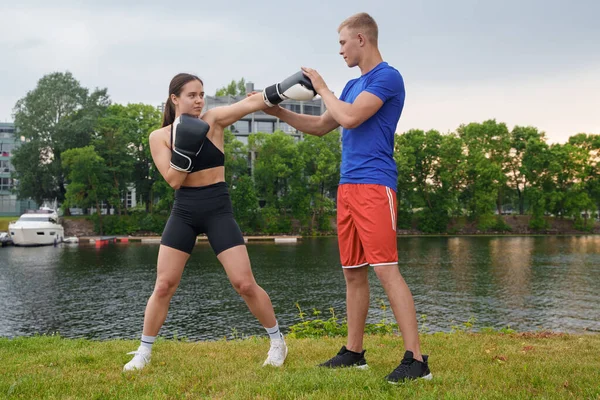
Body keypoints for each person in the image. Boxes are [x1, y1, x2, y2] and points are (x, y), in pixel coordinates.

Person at [263, 12, 432, 383]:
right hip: (348, 187)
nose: (339, 50)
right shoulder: (353, 86)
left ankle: (417, 361)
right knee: (353, 274)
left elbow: (352, 118)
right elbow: (324, 125)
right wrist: (276, 111)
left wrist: (322, 87)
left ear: (361, 39)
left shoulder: (387, 77)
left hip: (375, 185)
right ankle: (355, 352)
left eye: (342, 42)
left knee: (386, 270)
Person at [123, 71, 315, 371]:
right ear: (175, 99)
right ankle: (144, 351)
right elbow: (173, 180)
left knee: (244, 283)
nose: (199, 100)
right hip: (184, 211)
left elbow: (251, 104)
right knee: (164, 284)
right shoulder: (158, 137)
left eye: (202, 94)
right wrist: (185, 143)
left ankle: (277, 341)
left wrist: (287, 87)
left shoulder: (214, 120)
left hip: (217, 208)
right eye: (192, 95)